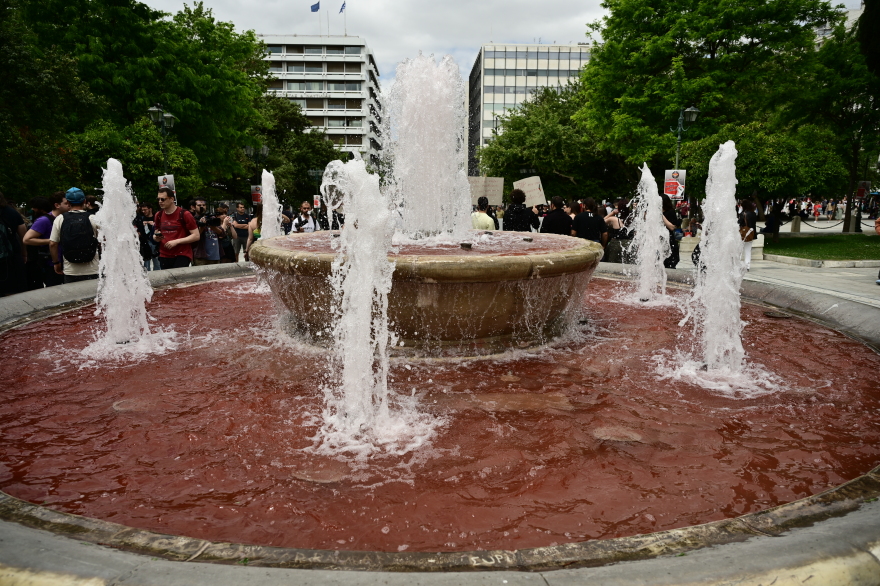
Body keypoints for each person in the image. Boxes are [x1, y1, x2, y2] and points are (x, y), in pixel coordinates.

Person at [49, 187, 100, 283]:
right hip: (93, 269)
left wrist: (56, 263)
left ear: (67, 202)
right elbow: (103, 241)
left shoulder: (60, 219)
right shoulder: (93, 218)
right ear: (84, 201)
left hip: (71, 271)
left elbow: (53, 243)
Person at [23, 192, 69, 287]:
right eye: (66, 203)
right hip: (51, 265)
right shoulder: (44, 220)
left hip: (68, 263)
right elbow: (27, 239)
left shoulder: (67, 217)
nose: (70, 205)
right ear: (57, 205)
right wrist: (52, 240)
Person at [152, 186, 199, 269]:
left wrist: (177, 241)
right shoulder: (158, 215)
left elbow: (196, 235)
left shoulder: (185, 214)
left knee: (179, 279)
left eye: (163, 199)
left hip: (182, 254)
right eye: (158, 199)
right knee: (167, 281)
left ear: (171, 199)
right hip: (164, 254)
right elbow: (156, 233)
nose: (160, 201)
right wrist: (156, 237)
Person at [0, 190, 28, 296]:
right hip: (11, 258)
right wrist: (24, 253)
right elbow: (23, 236)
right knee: (15, 290)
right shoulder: (11, 212)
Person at [603, 199, 633, 263]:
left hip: (616, 245)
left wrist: (612, 213)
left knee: (613, 264)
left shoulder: (614, 219)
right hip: (629, 245)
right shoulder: (633, 219)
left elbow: (601, 221)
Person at [134, 201, 160, 271]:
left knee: (157, 262)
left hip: (155, 242)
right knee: (146, 263)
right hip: (145, 242)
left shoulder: (156, 217)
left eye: (145, 210)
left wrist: (153, 224)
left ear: (150, 209)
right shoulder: (141, 218)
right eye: (142, 210)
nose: (143, 211)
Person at [660, 193, 681, 269]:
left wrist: (661, 216)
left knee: (669, 265)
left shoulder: (670, 212)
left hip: (669, 241)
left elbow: (672, 227)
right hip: (659, 242)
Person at [739, 200, 758, 271]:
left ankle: (738, 264)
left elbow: (739, 223)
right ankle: (747, 266)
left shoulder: (743, 214)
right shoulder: (753, 213)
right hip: (751, 234)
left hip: (743, 234)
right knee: (748, 250)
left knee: (739, 250)